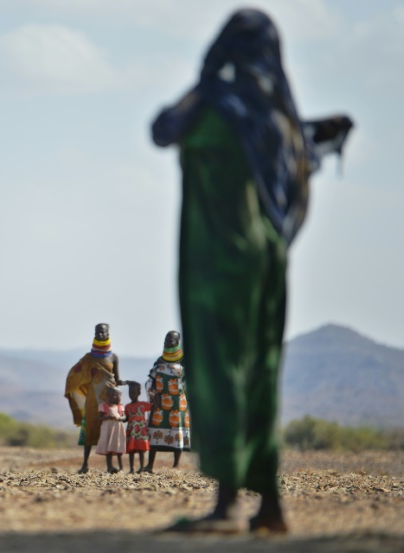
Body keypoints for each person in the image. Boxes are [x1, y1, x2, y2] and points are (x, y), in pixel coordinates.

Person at [150, 9, 353, 533]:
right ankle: (271, 506)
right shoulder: (277, 120)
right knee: (260, 374)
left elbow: (163, 129)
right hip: (271, 262)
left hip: (222, 262)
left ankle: (224, 507)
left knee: (222, 374)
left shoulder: (219, 107)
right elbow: (300, 158)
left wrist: (204, 83)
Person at [64, 323, 123, 474]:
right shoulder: (88, 358)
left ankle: (110, 466)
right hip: (93, 399)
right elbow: (75, 373)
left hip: (110, 399)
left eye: (103, 332)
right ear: (94, 334)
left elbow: (117, 378)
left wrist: (127, 383)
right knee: (90, 429)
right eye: (98, 332)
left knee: (109, 429)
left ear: (108, 333)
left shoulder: (113, 357)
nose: (101, 335)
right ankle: (85, 465)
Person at [144, 331, 190, 473]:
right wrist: (152, 393)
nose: (168, 342)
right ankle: (149, 466)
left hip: (178, 404)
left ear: (178, 342)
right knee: (155, 432)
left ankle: (175, 466)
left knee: (178, 433)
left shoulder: (185, 362)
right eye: (166, 340)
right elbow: (150, 381)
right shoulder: (159, 361)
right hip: (159, 404)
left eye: (172, 340)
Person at [96, 386, 126, 474]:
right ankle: (110, 466)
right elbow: (100, 417)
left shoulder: (120, 407)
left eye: (118, 395)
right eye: (113, 395)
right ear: (108, 396)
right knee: (108, 447)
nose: (116, 397)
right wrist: (108, 417)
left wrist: (120, 418)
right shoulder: (103, 406)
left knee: (118, 447)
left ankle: (121, 467)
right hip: (108, 429)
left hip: (118, 428)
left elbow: (124, 417)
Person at [124, 381, 151, 473]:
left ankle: (142, 467)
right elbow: (126, 418)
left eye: (134, 393)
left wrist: (154, 396)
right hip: (132, 431)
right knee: (131, 450)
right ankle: (132, 468)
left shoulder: (143, 404)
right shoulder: (127, 406)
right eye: (130, 393)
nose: (132, 395)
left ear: (139, 393)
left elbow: (154, 406)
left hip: (141, 431)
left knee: (141, 449)